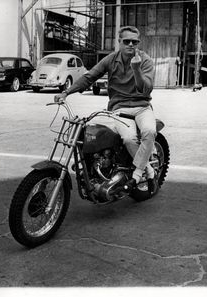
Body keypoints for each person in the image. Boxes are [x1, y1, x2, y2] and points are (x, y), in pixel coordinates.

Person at [54, 25, 156, 192]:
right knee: (129, 139)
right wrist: (66, 92)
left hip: (142, 107)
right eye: (126, 41)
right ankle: (148, 169)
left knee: (150, 132)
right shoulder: (111, 59)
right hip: (120, 108)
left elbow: (146, 89)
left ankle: (139, 173)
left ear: (138, 43)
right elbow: (90, 76)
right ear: (119, 42)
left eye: (134, 42)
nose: (130, 44)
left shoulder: (145, 60)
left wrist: (136, 70)